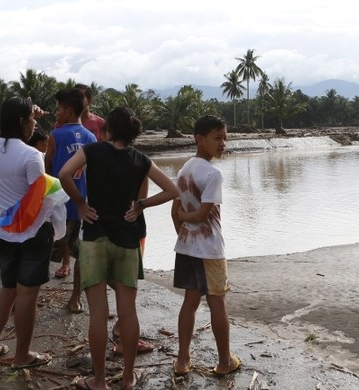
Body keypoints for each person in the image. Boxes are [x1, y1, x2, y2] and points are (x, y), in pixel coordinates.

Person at [60, 107, 179, 390]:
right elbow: (173, 190)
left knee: (98, 314)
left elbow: (64, 173)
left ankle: (99, 381)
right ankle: (127, 377)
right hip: (127, 240)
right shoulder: (140, 159)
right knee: (128, 312)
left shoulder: (92, 151)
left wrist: (80, 203)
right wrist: (140, 205)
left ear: (108, 130)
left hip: (95, 238)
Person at [0, 97, 58, 370]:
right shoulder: (32, 156)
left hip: (4, 228)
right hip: (31, 232)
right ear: (23, 122)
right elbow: (39, 199)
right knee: (27, 295)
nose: (36, 123)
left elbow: (7, 134)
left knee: (8, 290)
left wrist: (27, 114)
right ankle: (22, 355)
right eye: (32, 119)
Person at [171, 115, 243, 380]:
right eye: (217, 138)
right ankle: (224, 360)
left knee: (190, 302)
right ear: (199, 140)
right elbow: (202, 214)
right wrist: (188, 219)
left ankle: (182, 359)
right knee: (217, 303)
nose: (223, 143)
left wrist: (182, 230)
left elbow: (174, 210)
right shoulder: (213, 173)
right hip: (211, 249)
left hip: (187, 248)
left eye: (225, 138)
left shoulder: (184, 169)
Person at [45, 88, 98, 312]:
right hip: (81, 206)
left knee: (43, 251)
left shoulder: (55, 136)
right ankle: (75, 298)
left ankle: (26, 296)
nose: (55, 113)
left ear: (68, 111)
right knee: (80, 254)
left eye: (58, 109)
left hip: (58, 205)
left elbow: (47, 169)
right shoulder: (91, 137)